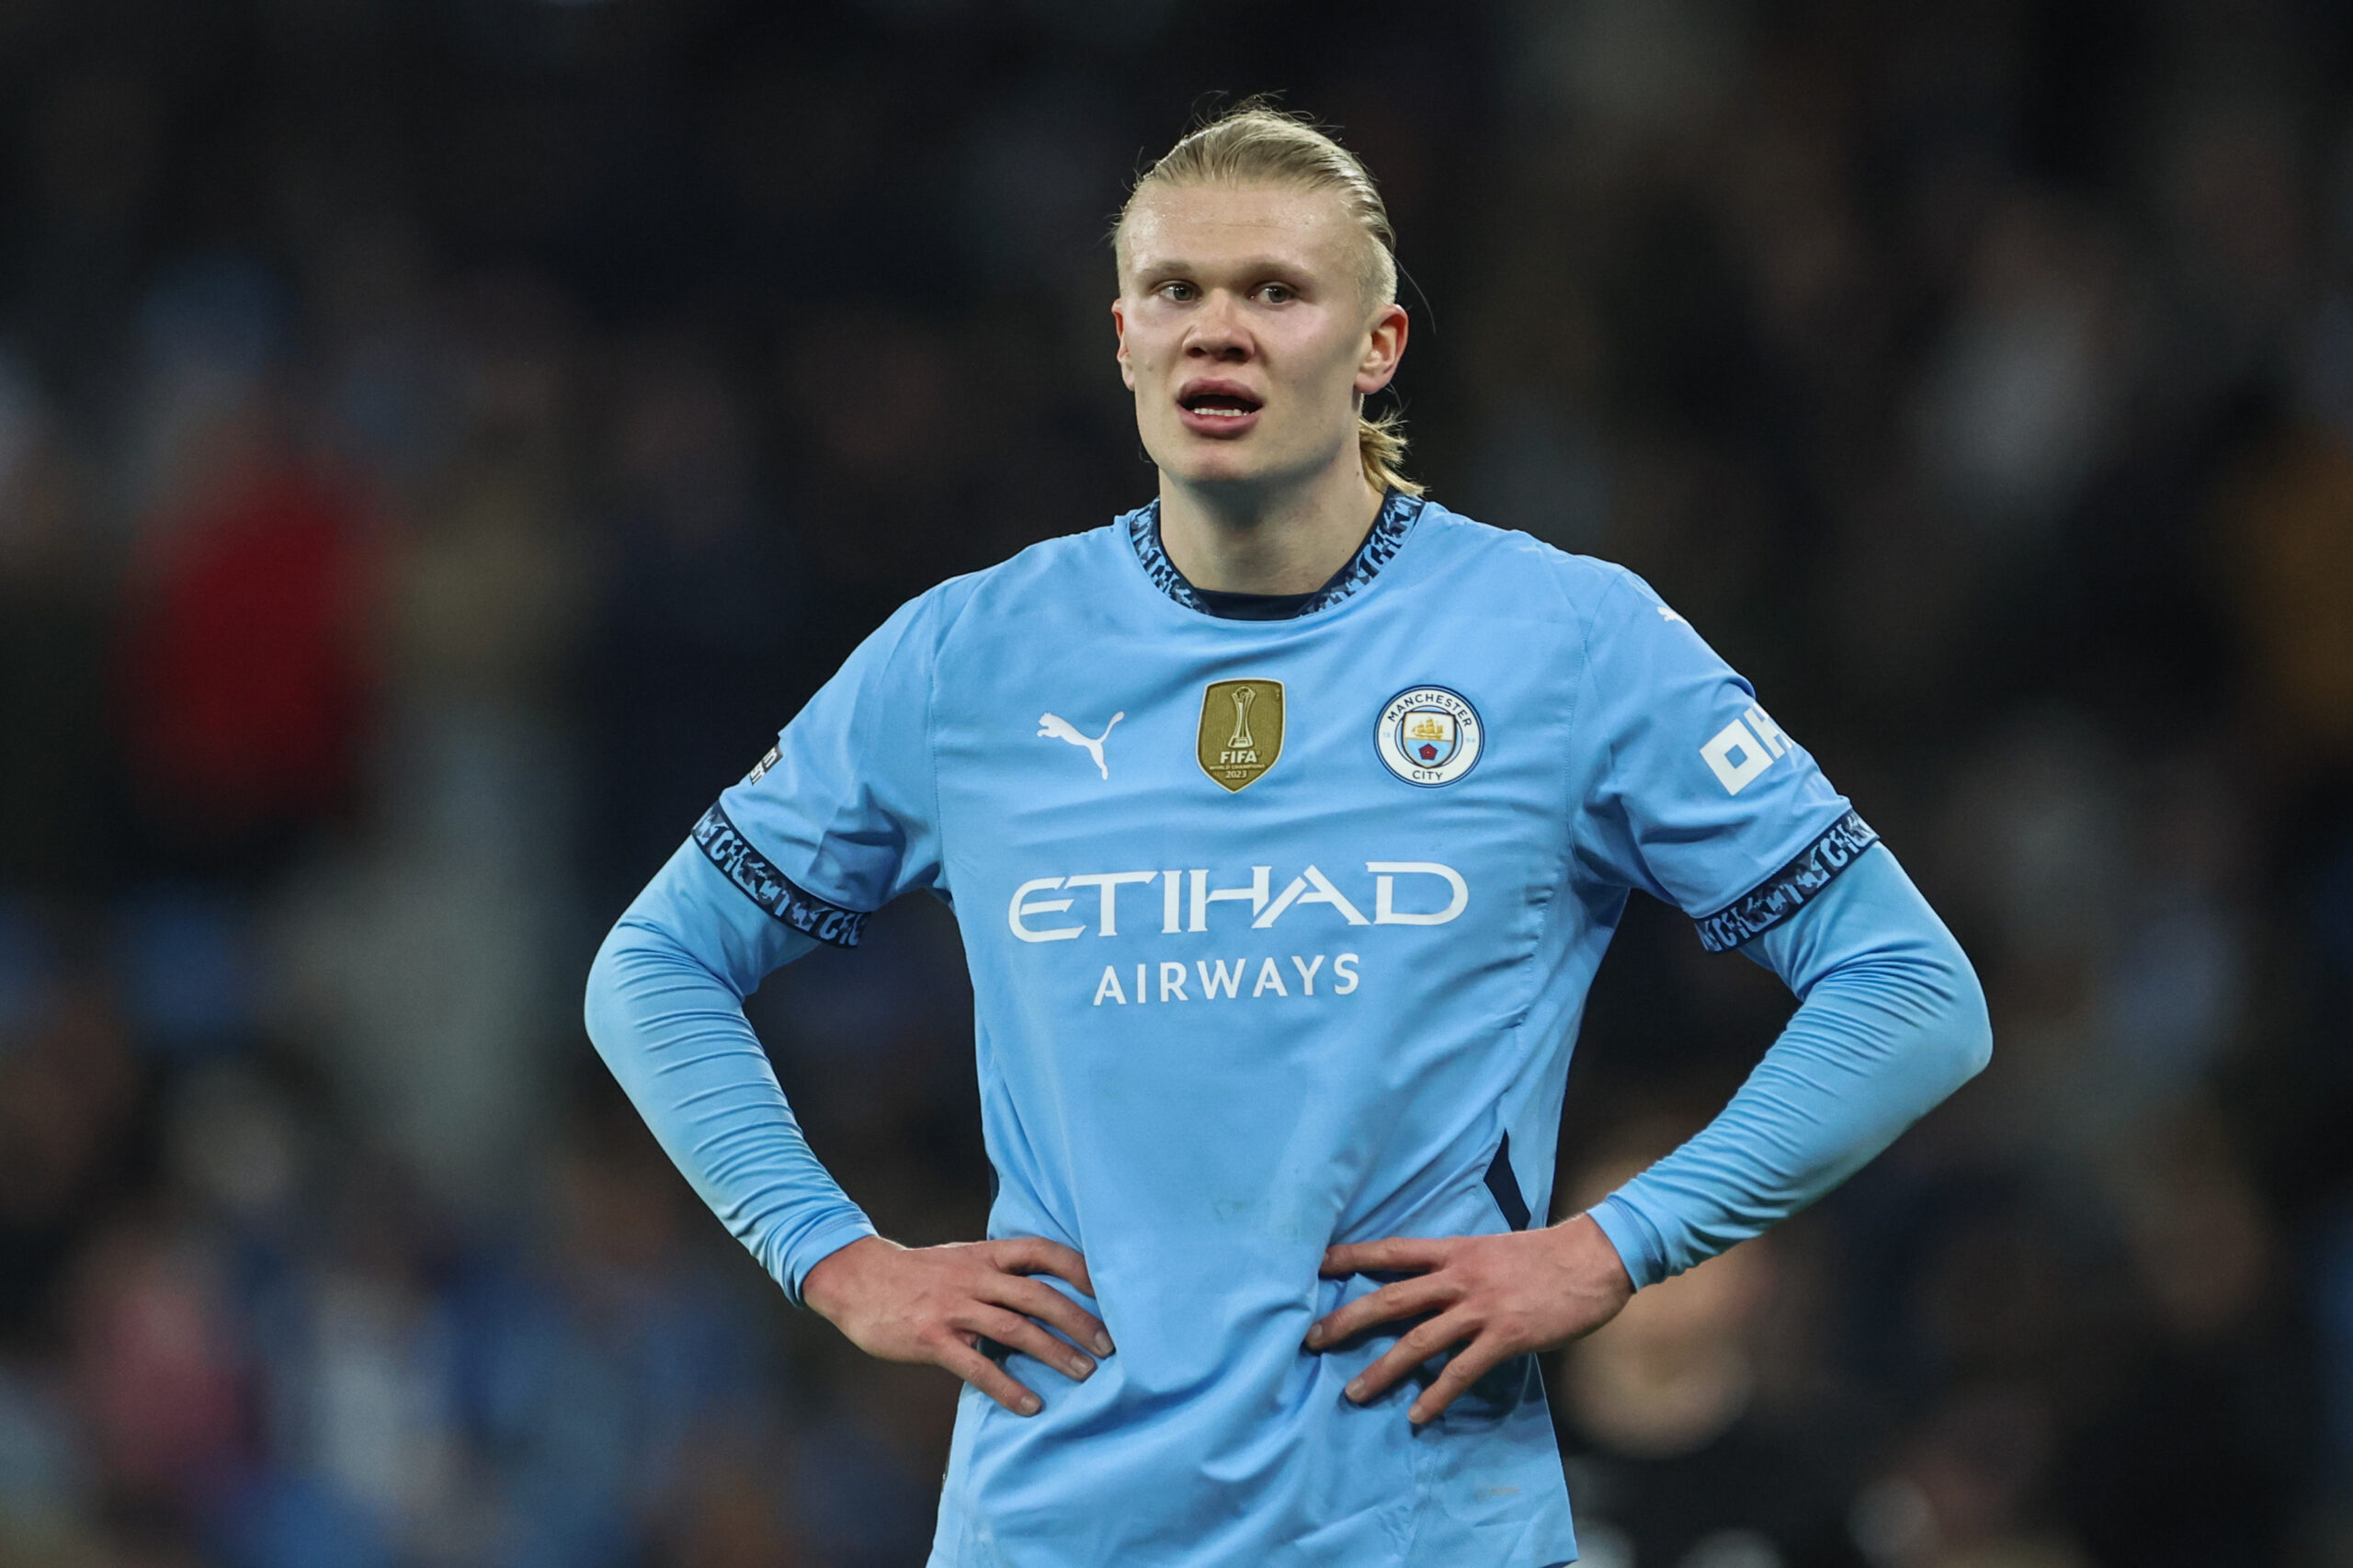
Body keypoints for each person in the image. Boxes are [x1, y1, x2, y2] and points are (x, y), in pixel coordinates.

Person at [584, 103, 1992, 1568]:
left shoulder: (1567, 643)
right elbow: (658, 964)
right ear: (1122, 334)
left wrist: (1611, 1245)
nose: (1219, 331)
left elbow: (1910, 991)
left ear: (1377, 344)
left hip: (1419, 1529)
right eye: (1177, 291)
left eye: (1275, 290)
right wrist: (834, 1259)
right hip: (1055, 1528)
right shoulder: (968, 658)